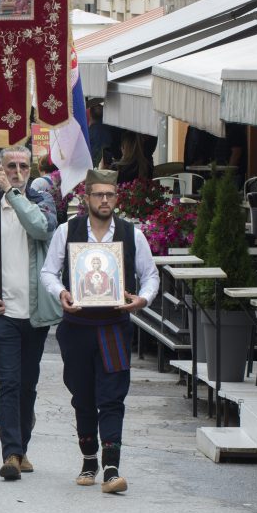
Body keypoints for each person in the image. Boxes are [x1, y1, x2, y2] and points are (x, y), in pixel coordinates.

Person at [40, 168, 159, 494]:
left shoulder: (132, 234)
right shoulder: (68, 231)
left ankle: (111, 467)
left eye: (109, 195)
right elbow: (49, 272)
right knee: (82, 396)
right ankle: (89, 458)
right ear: (86, 197)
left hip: (112, 327)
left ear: (115, 198)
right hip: (77, 327)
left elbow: (150, 276)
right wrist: (60, 293)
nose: (104, 200)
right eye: (98, 195)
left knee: (112, 396)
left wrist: (142, 299)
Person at [0, 146, 60, 480]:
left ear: (30, 171)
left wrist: (13, 192)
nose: (17, 170)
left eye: (23, 166)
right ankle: (11, 453)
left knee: (27, 384)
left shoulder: (42, 203)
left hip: (34, 314)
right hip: (3, 313)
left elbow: (40, 228)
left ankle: (22, 447)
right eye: (10, 166)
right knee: (8, 382)